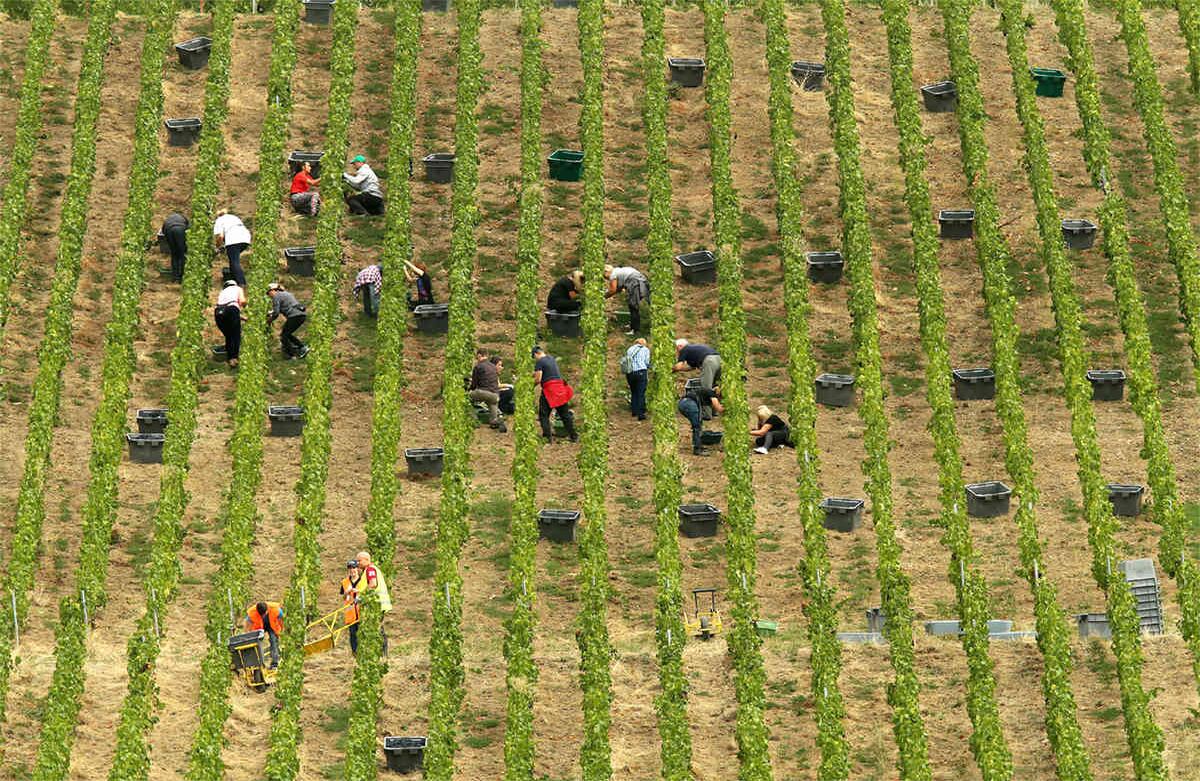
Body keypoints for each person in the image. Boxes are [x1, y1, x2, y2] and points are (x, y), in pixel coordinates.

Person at [532, 345, 577, 443]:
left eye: (534, 357)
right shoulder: (551, 359)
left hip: (550, 390)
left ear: (536, 354)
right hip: (560, 389)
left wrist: (530, 387)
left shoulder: (539, 362)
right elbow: (546, 372)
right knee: (564, 414)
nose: (535, 359)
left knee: (543, 414)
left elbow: (538, 379)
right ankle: (574, 436)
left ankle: (547, 437)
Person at [355, 550, 392, 655]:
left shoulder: (370, 570)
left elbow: (373, 584)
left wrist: (361, 596)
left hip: (376, 604)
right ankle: (380, 651)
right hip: (374, 603)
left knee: (376, 628)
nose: (358, 563)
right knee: (376, 627)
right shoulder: (368, 570)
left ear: (367, 560)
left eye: (359, 560)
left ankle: (382, 652)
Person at [678, 382, 724, 456]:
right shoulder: (712, 394)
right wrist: (729, 409)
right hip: (690, 404)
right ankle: (697, 449)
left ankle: (698, 444)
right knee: (697, 426)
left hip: (683, 403)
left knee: (697, 425)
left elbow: (713, 407)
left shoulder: (707, 393)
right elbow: (718, 408)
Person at [469, 347, 507, 432]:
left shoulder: (478, 366)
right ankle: (495, 422)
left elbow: (474, 384)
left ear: (479, 355)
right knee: (492, 405)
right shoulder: (493, 367)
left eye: (477, 356)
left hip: (483, 392)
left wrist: (469, 390)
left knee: (467, 398)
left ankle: (474, 420)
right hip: (495, 395)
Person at [604, 264, 650, 334]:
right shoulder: (618, 271)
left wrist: (603, 297)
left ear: (606, 272)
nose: (606, 279)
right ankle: (632, 326)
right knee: (632, 305)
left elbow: (612, 290)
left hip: (634, 282)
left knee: (633, 306)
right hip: (640, 279)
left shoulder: (613, 274)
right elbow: (618, 289)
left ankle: (635, 330)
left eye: (605, 276)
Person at [267, 282, 308, 359]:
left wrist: (269, 320)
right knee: (287, 334)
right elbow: (286, 305)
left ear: (273, 290)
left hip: (294, 316)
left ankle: (295, 352)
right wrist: (270, 312)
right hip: (301, 315)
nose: (269, 296)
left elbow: (276, 313)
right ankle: (300, 348)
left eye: (268, 293)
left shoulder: (276, 296)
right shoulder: (287, 293)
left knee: (284, 336)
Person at [212, 209, 251, 286]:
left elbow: (220, 236)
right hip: (245, 238)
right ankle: (234, 279)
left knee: (234, 261)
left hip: (233, 239)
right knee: (233, 260)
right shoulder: (233, 217)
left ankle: (241, 283)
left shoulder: (219, 220)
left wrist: (218, 246)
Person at [214, 279, 247, 367]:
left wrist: (242, 317)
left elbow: (226, 308)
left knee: (229, 335)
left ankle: (229, 356)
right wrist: (245, 307)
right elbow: (241, 302)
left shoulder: (222, 292)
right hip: (232, 310)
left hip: (218, 312)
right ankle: (233, 358)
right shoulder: (237, 288)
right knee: (235, 335)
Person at [243, 601, 284, 669]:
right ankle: (260, 664)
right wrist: (246, 636)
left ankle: (274, 664)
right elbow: (247, 624)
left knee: (273, 641)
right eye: (260, 615)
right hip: (259, 628)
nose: (262, 616)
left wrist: (282, 630)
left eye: (263, 614)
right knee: (257, 644)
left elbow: (281, 619)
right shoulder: (253, 612)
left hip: (272, 626)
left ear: (267, 610)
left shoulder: (275, 609)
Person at [620, 337, 650, 421]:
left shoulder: (630, 349)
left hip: (630, 373)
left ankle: (634, 411)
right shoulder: (645, 349)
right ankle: (641, 414)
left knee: (634, 391)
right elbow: (646, 362)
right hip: (641, 372)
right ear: (643, 343)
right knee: (641, 392)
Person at [340, 560, 363, 653]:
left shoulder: (363, 580)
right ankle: (355, 653)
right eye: (350, 568)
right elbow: (344, 597)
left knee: (363, 633)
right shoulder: (344, 582)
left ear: (357, 569)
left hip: (362, 612)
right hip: (351, 613)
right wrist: (347, 592)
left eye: (353, 568)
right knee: (353, 634)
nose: (352, 570)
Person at [161, 212, 189, 282]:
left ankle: (174, 277)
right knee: (182, 254)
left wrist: (170, 243)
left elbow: (163, 231)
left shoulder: (168, 219)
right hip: (180, 230)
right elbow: (188, 229)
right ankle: (181, 276)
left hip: (169, 230)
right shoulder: (183, 218)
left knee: (174, 254)